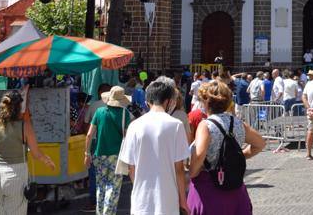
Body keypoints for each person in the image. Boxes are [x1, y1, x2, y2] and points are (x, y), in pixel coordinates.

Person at [187, 80, 267, 214]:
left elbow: (200, 154)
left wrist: (192, 173)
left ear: (206, 102)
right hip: (234, 188)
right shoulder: (238, 123)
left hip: (208, 188)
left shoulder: (205, 125)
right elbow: (260, 144)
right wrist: (241, 155)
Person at [119, 78, 191, 215]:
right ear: (168, 101)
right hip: (168, 198)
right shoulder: (176, 125)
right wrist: (183, 200)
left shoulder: (134, 126)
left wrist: (139, 187)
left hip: (141, 198)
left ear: (148, 102)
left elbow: (131, 167)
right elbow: (179, 169)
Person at [0, 89, 55, 215]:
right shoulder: (25, 126)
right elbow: (36, 153)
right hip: (16, 175)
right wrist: (48, 161)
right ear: (20, 107)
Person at [85, 86, 130, 215]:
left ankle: (100, 212)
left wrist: (86, 153)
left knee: (101, 186)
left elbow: (89, 135)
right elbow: (127, 136)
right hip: (117, 156)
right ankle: (108, 213)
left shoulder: (99, 112)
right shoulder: (124, 114)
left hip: (98, 154)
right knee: (113, 188)